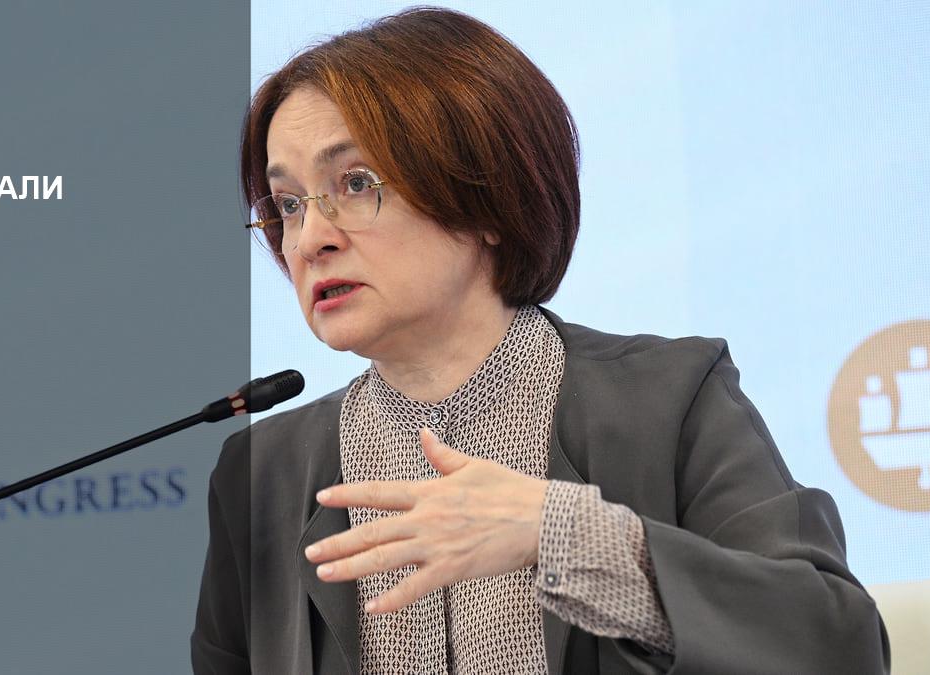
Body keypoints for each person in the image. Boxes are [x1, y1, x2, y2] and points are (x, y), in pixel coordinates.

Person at [192, 7, 890, 674]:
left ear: (486, 199)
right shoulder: (259, 475)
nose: (309, 239)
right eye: (287, 205)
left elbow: (837, 647)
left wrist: (563, 532)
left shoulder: (670, 398)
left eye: (355, 182)